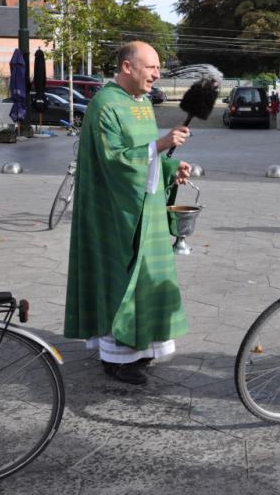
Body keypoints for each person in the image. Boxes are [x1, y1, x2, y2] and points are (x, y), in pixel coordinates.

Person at [64, 41, 193, 386]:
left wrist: (170, 167)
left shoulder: (143, 104)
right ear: (126, 67)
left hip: (145, 210)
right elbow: (115, 161)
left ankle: (143, 348)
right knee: (121, 282)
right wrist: (163, 144)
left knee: (148, 281)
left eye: (158, 68)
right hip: (113, 214)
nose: (157, 74)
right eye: (150, 67)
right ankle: (117, 358)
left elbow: (147, 156)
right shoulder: (104, 106)